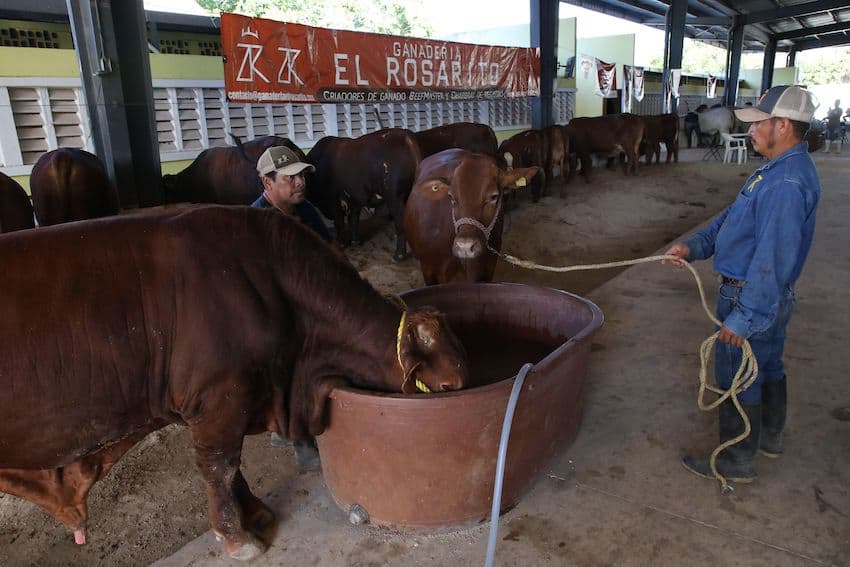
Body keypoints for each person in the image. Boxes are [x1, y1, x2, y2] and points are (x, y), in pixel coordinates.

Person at [664, 85, 821, 484]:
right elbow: (732, 218)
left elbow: (772, 259)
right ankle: (769, 438)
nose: (749, 130)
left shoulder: (785, 185)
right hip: (768, 297)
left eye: (758, 124)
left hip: (749, 294)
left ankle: (736, 459)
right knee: (767, 366)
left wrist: (744, 316)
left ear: (783, 126)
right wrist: (694, 245)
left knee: (736, 376)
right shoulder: (774, 171)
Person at [253, 145, 331, 470]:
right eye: (290, 178)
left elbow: (331, 253)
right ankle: (299, 439)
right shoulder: (256, 223)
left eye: (301, 176)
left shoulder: (307, 213)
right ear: (267, 183)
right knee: (293, 367)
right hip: (273, 313)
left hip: (308, 303)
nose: (300, 183)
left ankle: (281, 427)